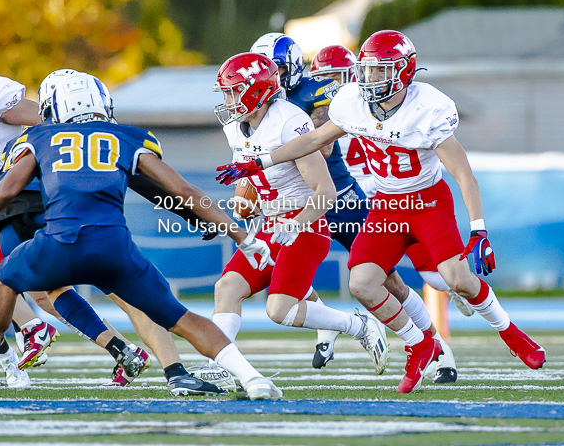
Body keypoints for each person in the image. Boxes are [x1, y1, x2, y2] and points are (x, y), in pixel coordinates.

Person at [217, 30, 547, 393]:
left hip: (380, 200)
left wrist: (479, 228)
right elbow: (311, 141)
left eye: (379, 71)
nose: (369, 79)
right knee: (361, 283)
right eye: (368, 70)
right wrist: (256, 166)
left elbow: (460, 172)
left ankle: (476, 341)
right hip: (372, 204)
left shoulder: (348, 99)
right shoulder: (345, 100)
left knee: (437, 280)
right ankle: (420, 344)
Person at [0, 72, 282, 402]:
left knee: (4, 282)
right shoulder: (127, 137)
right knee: (181, 317)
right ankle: (253, 378)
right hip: (114, 249)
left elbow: (6, 189)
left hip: (58, 243)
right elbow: (182, 190)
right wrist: (241, 236)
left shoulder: (40, 137)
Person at [252, 34, 458, 383]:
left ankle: (438, 349)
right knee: (278, 270)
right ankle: (328, 328)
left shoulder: (314, 93)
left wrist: (288, 135)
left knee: (386, 279)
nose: (270, 77)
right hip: (290, 203)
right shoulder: (256, 107)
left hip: (339, 198)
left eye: (277, 69)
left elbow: (326, 149)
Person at [201, 52, 388, 382]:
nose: (228, 100)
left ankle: (357, 325)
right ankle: (221, 369)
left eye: (233, 91)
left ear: (256, 91)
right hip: (271, 221)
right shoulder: (236, 126)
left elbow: (325, 192)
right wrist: (234, 214)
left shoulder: (289, 122)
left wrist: (296, 222)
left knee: (279, 309)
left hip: (306, 222)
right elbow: (248, 181)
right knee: (227, 287)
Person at [310, 44, 477, 382]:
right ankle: (328, 329)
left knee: (424, 280)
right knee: (281, 261)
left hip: (389, 205)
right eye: (322, 79)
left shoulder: (382, 109)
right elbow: (315, 146)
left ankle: (441, 340)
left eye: (335, 78)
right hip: (348, 205)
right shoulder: (326, 113)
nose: (328, 86)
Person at [0, 32, 59, 386]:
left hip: (13, 197)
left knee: (43, 288)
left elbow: (52, 122)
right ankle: (11, 361)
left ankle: (116, 345)